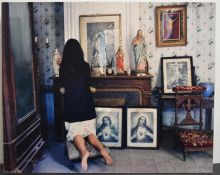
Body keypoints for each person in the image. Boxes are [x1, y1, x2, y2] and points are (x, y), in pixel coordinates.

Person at [59, 39, 113, 171]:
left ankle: (83, 152)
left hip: (73, 107)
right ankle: (102, 149)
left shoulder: (63, 67)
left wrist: (62, 89)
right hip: (87, 106)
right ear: (79, 51)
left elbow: (63, 85)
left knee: (75, 133)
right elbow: (86, 83)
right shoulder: (85, 66)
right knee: (90, 133)